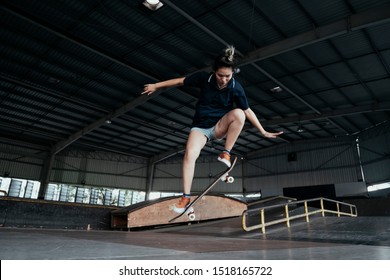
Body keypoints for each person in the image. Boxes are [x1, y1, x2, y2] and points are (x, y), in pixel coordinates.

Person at [142, 46, 283, 213]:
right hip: (200, 128)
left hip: (219, 126)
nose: (224, 80)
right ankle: (185, 198)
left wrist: (262, 131)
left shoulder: (236, 87)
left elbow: (247, 109)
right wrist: (156, 86)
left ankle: (226, 152)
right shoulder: (204, 78)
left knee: (239, 114)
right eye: (220, 75)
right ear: (214, 72)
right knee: (189, 154)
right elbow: (180, 81)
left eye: (227, 76)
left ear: (232, 74)